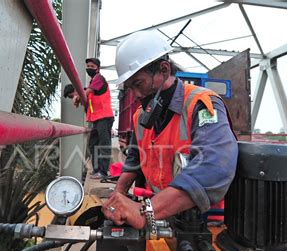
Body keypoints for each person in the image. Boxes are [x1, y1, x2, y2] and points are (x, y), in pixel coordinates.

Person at [102, 30, 238, 229]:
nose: (137, 94)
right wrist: (118, 194)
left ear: (164, 69)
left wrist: (146, 211)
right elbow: (135, 157)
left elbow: (213, 167)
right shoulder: (141, 116)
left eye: (139, 83)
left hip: (204, 220)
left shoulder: (201, 104)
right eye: (131, 87)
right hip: (162, 213)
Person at [63, 58, 114, 180]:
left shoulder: (98, 79)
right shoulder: (92, 83)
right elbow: (87, 92)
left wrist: (78, 97)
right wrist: (79, 97)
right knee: (93, 144)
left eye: (92, 66)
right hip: (97, 119)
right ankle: (97, 170)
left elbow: (88, 91)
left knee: (103, 144)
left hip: (104, 117)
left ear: (98, 68)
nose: (89, 68)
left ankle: (103, 172)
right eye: (88, 66)